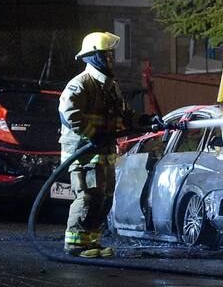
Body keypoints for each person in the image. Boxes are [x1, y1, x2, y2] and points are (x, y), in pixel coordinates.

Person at [58, 32, 163, 258]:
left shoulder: (110, 87)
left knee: (103, 200)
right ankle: (75, 245)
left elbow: (123, 115)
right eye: (106, 55)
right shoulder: (80, 84)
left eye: (110, 56)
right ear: (94, 56)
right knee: (86, 197)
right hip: (83, 155)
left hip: (104, 153)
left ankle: (92, 243)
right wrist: (92, 134)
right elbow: (69, 113)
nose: (110, 60)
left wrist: (145, 121)